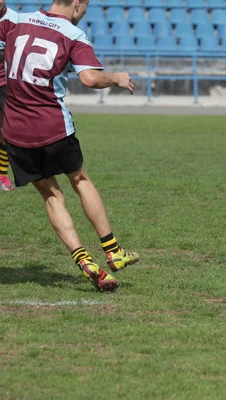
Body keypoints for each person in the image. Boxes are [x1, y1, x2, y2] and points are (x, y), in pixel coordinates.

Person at [0, 0, 139, 291]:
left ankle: (83, 259)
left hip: (14, 130)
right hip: (52, 126)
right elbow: (89, 78)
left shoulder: (16, 21)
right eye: (86, 6)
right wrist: (116, 77)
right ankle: (112, 251)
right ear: (77, 3)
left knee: (52, 196)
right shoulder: (72, 34)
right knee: (80, 179)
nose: (85, 12)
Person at [0, 1, 17, 191]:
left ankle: (1, 175)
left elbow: (13, 53)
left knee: (4, 132)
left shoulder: (13, 21)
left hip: (4, 83)